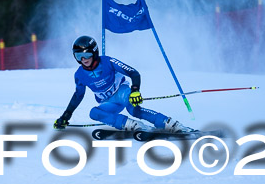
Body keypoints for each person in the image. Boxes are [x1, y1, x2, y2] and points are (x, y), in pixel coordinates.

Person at [53, 35, 194, 133]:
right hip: (109, 102)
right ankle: (132, 125)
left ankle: (170, 124)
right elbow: (78, 96)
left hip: (122, 93)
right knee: (94, 113)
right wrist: (65, 116)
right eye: (79, 56)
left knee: (134, 110)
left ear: (94, 52)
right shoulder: (79, 75)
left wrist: (135, 91)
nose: (84, 59)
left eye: (87, 55)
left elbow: (134, 73)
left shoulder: (108, 62)